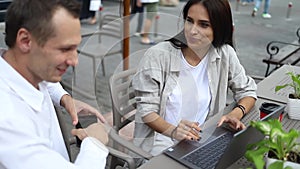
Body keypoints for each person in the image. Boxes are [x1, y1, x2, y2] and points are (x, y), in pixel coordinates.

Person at [132, 0, 257, 156]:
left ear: (219, 28)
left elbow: (248, 91)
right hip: (161, 140)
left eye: (203, 25)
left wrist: (235, 114)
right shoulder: (157, 56)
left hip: (202, 139)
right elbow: (146, 112)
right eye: (189, 21)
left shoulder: (225, 54)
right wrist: (175, 131)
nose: (192, 31)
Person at [0, 0, 109, 169]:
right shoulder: (7, 119)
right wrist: (94, 144)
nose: (75, 61)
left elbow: (42, 78)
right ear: (25, 40)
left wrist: (64, 98)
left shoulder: (23, 68)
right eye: (65, 49)